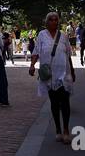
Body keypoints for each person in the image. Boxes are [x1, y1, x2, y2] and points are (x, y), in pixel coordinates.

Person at [30, 11, 76, 143]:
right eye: (51, 19)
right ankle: (58, 129)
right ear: (47, 22)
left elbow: (68, 54)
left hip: (64, 74)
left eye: (56, 20)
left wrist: (72, 71)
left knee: (65, 101)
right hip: (49, 75)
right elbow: (36, 52)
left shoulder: (63, 36)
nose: (54, 22)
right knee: (54, 103)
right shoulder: (41, 35)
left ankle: (66, 130)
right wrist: (32, 65)